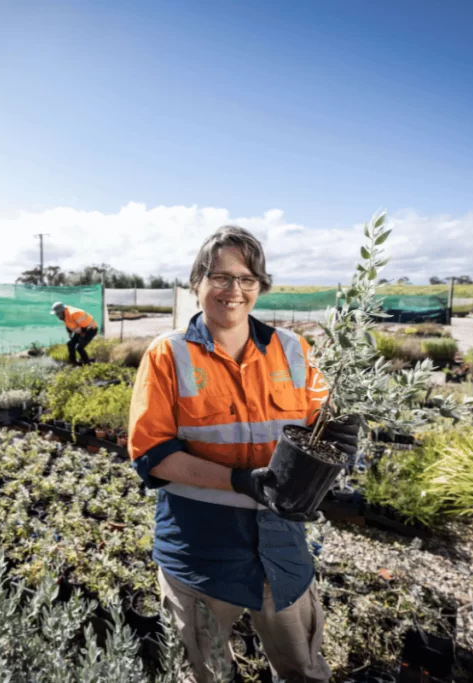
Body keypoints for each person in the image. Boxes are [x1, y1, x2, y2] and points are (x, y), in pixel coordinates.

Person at [128, 226, 362, 683]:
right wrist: (240, 481)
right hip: (200, 552)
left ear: (260, 287)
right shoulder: (167, 355)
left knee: (303, 670)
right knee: (205, 673)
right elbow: (151, 455)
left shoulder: (293, 350)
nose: (234, 290)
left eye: (247, 279)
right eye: (220, 277)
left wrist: (345, 435)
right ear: (197, 283)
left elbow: (322, 422)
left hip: (281, 549)